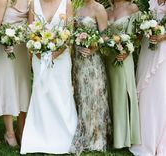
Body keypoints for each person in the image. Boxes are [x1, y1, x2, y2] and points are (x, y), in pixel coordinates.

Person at [20, 0, 78, 154]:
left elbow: (69, 33)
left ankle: (64, 135)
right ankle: (39, 136)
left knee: (61, 93)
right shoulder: (34, 4)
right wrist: (40, 53)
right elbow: (30, 33)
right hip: (39, 57)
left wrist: (55, 53)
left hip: (61, 58)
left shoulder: (67, 4)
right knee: (41, 93)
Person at [70, 0, 111, 155]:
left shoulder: (99, 8)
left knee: (94, 94)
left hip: (93, 61)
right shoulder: (78, 9)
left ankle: (96, 136)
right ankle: (83, 130)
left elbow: (105, 37)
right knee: (81, 94)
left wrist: (93, 48)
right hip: (79, 60)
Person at [0, 0, 31, 146]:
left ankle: (21, 130)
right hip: (5, 50)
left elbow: (32, 27)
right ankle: (9, 133)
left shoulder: (29, 1)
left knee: (23, 88)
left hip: (22, 50)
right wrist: (5, 42)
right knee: (7, 86)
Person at [130, 0, 166, 155]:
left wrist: (162, 36)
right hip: (148, 48)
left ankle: (156, 139)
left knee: (158, 91)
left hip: (162, 52)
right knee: (145, 91)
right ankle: (142, 138)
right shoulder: (151, 2)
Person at [106, 0, 141, 149]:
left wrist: (127, 51)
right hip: (107, 57)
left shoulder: (132, 8)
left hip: (123, 57)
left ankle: (124, 138)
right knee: (110, 94)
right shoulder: (106, 10)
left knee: (122, 93)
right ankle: (111, 134)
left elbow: (139, 35)